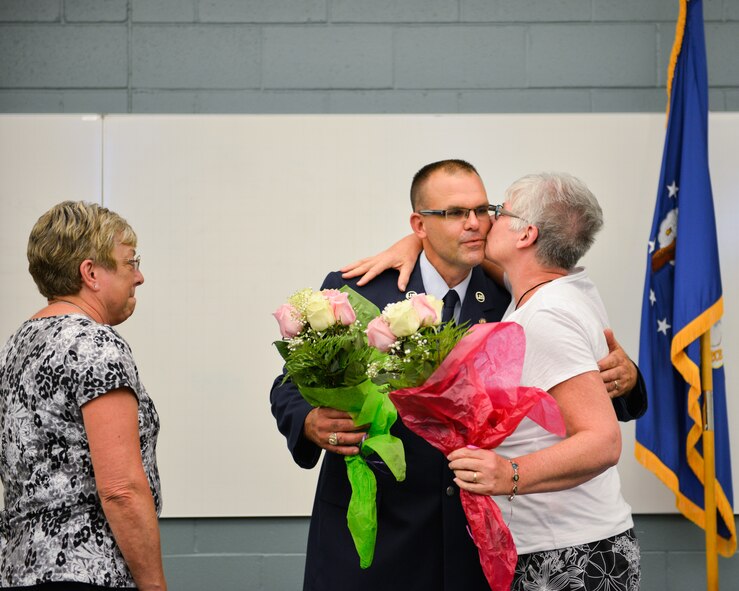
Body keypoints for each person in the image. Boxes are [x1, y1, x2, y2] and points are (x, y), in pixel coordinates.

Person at [270, 160, 645, 591]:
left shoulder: (517, 294)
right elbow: (290, 383)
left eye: (483, 210)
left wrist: (628, 376)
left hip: (473, 546)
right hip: (380, 535)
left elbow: (580, 374)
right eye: (453, 213)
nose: (475, 223)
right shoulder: (358, 290)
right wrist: (310, 421)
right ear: (419, 224)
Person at [447, 172, 640, 589]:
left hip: (569, 554)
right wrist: (416, 240)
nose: (484, 222)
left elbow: (602, 440)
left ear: (526, 234)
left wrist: (508, 473)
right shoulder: (556, 291)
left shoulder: (546, 316)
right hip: (567, 544)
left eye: (497, 212)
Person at [0, 201, 166, 591]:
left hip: (19, 570)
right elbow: (121, 489)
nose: (139, 276)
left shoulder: (17, 345)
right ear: (90, 273)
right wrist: (155, 586)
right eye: (129, 262)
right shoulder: (95, 345)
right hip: (87, 571)